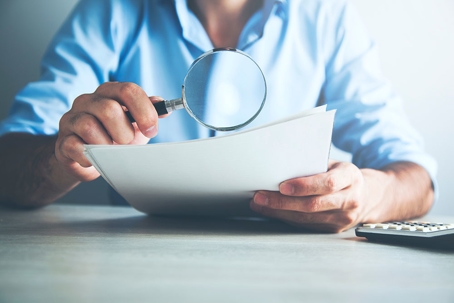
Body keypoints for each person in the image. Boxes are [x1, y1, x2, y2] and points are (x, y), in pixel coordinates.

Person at [0, 0, 436, 232]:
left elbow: (417, 179)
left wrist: (366, 197)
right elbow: (9, 163)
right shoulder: (111, 8)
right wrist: (66, 157)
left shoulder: (325, 14)